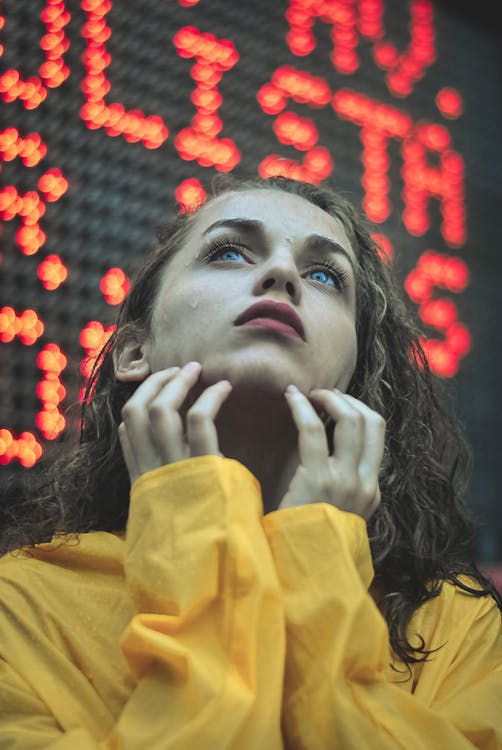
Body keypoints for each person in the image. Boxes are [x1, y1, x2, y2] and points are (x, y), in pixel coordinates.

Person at [0, 175, 501, 749]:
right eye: (229, 252)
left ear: (358, 374)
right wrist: (191, 531)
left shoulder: (457, 627)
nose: (282, 275)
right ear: (134, 352)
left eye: (324, 275)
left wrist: (320, 552)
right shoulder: (18, 604)